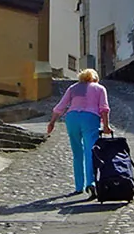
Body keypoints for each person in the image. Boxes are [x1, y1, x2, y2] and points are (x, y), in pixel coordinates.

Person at [46, 68, 112, 197]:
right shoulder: (99, 88)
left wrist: (52, 122)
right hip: (90, 118)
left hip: (72, 118)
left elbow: (61, 106)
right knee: (90, 152)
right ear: (95, 78)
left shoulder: (73, 88)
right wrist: (106, 126)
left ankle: (78, 186)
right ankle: (91, 183)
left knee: (77, 153)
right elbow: (104, 109)